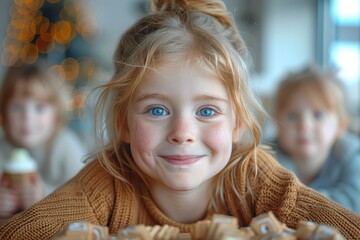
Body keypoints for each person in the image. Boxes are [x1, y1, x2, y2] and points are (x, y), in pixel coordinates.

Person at [0, 0, 359, 239]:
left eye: (207, 111)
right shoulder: (107, 182)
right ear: (123, 123)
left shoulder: (254, 176)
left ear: (237, 124)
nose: (182, 133)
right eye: (157, 110)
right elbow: (23, 231)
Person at [270, 67, 360, 214]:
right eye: (292, 116)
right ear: (277, 125)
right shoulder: (267, 157)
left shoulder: (351, 158)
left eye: (318, 115)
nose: (304, 126)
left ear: (341, 126)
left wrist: (302, 202)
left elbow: (354, 202)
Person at [0, 64, 86, 218]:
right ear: (4, 113)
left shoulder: (65, 145)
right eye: (18, 108)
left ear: (56, 114)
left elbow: (85, 197)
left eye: (39, 108)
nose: (27, 117)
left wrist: (45, 198)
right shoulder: (2, 148)